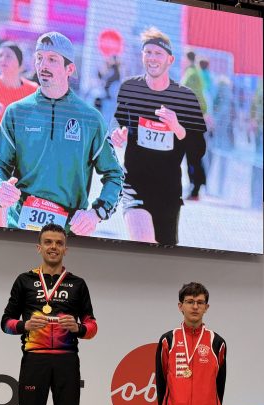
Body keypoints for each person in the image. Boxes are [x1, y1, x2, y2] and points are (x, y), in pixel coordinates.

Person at [1, 224, 97, 405]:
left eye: (58, 242)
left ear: (66, 248)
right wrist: (23, 325)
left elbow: (92, 326)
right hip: (35, 362)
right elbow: (5, 322)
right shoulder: (24, 281)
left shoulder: (78, 284)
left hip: (67, 363)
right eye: (48, 242)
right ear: (38, 247)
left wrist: (78, 328)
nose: (53, 247)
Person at [0, 31, 123, 235]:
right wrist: (0, 188)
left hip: (67, 234)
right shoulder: (17, 112)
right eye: (39, 58)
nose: (43, 65)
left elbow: (114, 175)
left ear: (70, 69)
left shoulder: (90, 119)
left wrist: (95, 214)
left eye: (52, 59)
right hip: (19, 227)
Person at [110, 28, 206, 246]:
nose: (152, 58)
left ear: (170, 60)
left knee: (162, 254)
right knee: (143, 241)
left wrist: (177, 127)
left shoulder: (185, 97)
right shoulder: (130, 88)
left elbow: (198, 147)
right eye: (148, 52)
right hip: (134, 184)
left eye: (158, 53)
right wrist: (118, 132)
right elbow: (117, 120)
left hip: (168, 191)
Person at [0, 42, 37, 228]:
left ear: (20, 64)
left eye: (9, 56)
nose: (3, 59)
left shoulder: (33, 91)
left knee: (20, 217)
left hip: (23, 163)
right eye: (0, 55)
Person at [179, 51, 208, 200]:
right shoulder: (195, 73)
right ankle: (196, 187)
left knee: (192, 155)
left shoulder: (191, 74)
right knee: (194, 155)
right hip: (194, 120)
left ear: (187, 58)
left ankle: (195, 188)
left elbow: (193, 97)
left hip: (191, 120)